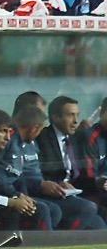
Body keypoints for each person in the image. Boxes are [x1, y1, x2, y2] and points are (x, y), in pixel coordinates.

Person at [36, 96, 106, 229]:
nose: (75, 121)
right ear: (56, 117)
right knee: (88, 208)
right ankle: (60, 242)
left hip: (74, 192)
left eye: (77, 115)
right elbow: (37, 173)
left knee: (100, 227)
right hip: (52, 194)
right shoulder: (42, 138)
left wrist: (99, 181)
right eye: (71, 115)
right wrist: (58, 184)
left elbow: (82, 172)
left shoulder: (76, 138)